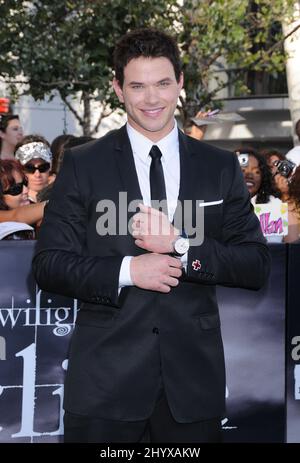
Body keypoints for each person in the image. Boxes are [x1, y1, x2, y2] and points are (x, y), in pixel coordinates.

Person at [33, 28, 270, 443]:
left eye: (162, 83)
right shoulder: (84, 164)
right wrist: (128, 270)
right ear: (118, 89)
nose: (152, 98)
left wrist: (181, 247)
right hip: (105, 386)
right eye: (137, 86)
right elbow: (49, 264)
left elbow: (255, 264)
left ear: (180, 83)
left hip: (193, 388)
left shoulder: (218, 166)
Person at [15, 135, 52, 203]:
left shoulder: (62, 196)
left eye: (43, 167)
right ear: (19, 169)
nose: (37, 174)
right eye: (30, 168)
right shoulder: (12, 204)